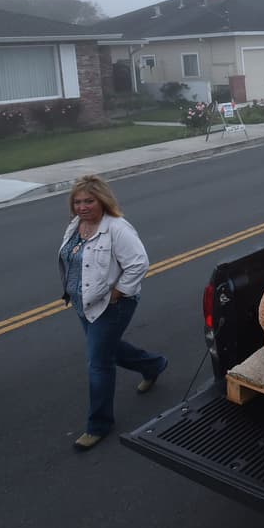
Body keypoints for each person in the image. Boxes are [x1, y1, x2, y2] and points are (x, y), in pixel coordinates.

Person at [58, 175, 167, 452]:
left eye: (89, 201)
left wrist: (117, 293)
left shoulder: (117, 228)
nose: (82, 207)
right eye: (77, 202)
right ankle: (152, 365)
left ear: (103, 201)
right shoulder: (76, 225)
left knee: (98, 362)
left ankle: (99, 424)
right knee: (108, 349)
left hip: (112, 306)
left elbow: (139, 263)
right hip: (85, 303)